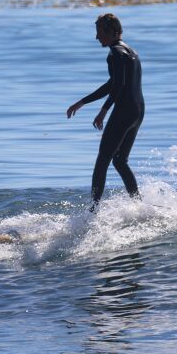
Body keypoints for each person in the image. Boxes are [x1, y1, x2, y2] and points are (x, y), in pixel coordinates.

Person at [66, 13, 145, 210]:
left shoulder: (115, 53)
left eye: (99, 32)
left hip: (124, 111)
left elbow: (118, 85)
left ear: (112, 32)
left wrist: (103, 111)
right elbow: (113, 83)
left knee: (103, 161)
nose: (96, 37)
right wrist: (83, 102)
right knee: (119, 161)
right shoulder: (130, 51)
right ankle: (139, 206)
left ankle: (92, 211)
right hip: (137, 111)